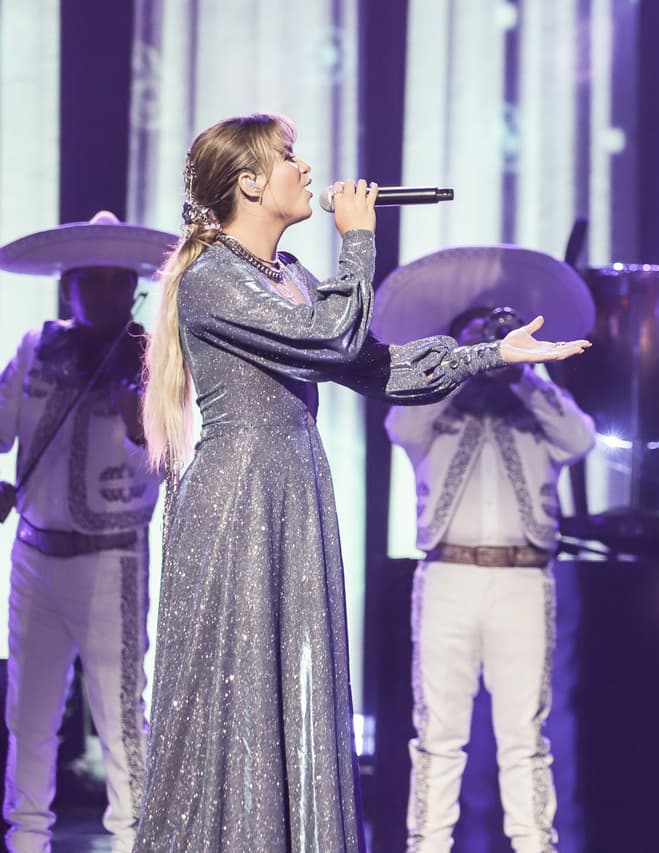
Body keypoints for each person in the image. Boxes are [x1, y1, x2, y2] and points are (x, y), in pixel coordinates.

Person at [132, 113, 589, 852]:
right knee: (238, 693)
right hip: (239, 501)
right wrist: (358, 237)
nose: (306, 168)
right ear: (248, 182)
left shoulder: (293, 281)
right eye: (287, 157)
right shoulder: (213, 279)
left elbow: (375, 366)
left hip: (293, 488)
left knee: (292, 687)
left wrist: (490, 355)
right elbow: (334, 336)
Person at [382, 249, 595, 852]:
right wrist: (467, 363)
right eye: (478, 334)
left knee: (524, 737)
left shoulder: (533, 401)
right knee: (438, 735)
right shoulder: (434, 399)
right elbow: (400, 427)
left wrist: (522, 370)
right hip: (448, 576)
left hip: (524, 581)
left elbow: (580, 439)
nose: (492, 342)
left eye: (496, 332)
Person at [0, 211, 171, 852]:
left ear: (132, 289)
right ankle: (26, 841)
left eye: (115, 282)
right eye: (90, 282)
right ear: (69, 287)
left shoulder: (154, 363)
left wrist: (134, 426)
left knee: (123, 718)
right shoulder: (34, 347)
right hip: (35, 556)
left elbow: (166, 466)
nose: (103, 294)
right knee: (29, 716)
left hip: (112, 561)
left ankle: (135, 840)